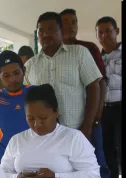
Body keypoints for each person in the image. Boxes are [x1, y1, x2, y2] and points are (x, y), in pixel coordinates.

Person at [24, 12, 102, 143]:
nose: (45, 34)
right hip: (44, 137)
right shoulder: (30, 65)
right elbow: (26, 99)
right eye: (41, 31)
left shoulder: (79, 53)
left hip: (77, 131)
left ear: (61, 30)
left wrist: (88, 125)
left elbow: (94, 87)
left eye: (51, 29)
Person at [60, 8, 111, 178]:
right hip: (64, 124)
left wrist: (95, 117)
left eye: (74, 22)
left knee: (97, 161)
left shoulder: (88, 48)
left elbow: (101, 82)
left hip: (89, 120)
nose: (71, 26)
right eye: (66, 22)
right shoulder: (53, 55)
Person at [97, 16, 122, 178]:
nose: (104, 35)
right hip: (103, 111)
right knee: (107, 150)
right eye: (100, 32)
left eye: (108, 31)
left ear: (117, 32)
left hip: (121, 108)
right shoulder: (96, 59)